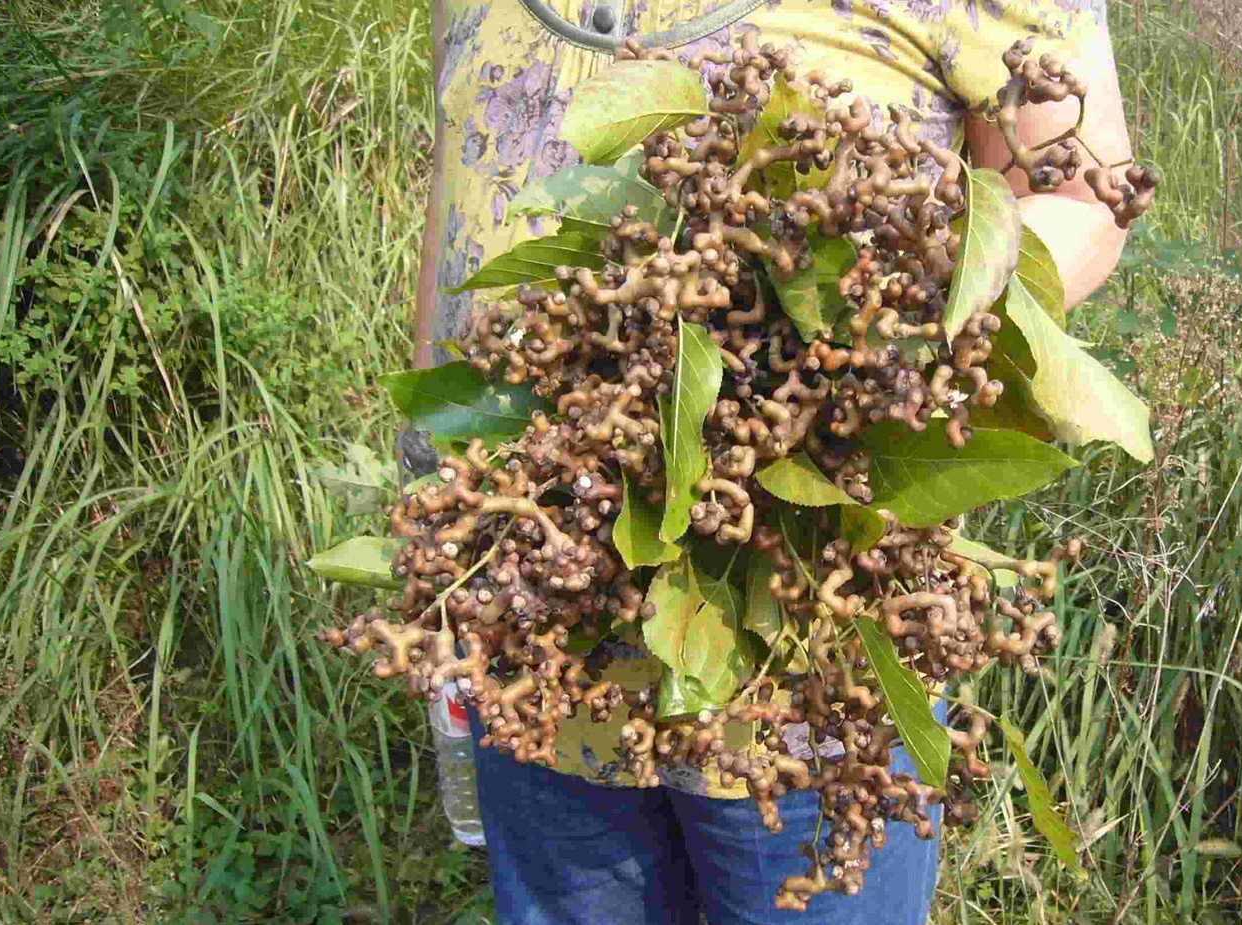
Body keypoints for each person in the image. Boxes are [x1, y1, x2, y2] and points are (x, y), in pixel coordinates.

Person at [407, 1, 1133, 922]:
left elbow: (1086, 197)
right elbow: (458, 197)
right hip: (537, 633)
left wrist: (893, 318)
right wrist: (436, 510)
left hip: (806, 679)